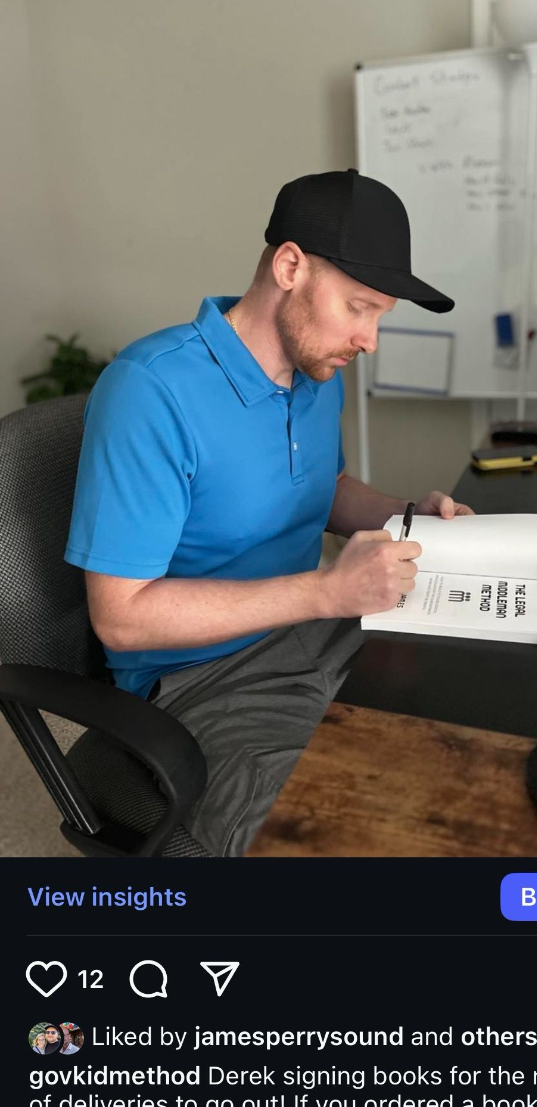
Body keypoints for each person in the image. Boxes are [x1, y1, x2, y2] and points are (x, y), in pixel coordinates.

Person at [65, 169, 473, 857]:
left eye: (379, 315)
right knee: (330, 836)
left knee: (465, 729)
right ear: (289, 267)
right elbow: (121, 618)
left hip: (323, 631)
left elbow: (322, 488)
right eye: (359, 308)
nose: (369, 339)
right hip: (207, 678)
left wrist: (406, 514)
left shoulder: (316, 371)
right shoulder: (151, 391)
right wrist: (326, 591)